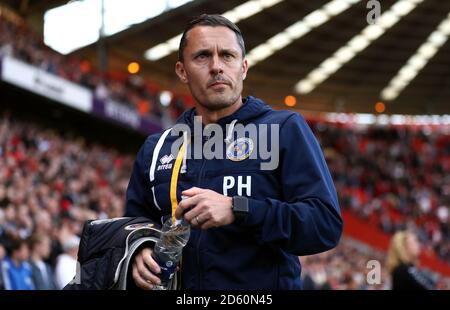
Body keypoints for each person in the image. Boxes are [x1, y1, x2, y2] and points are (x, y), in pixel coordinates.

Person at [125, 14, 343, 290]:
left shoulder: (284, 129)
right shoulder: (156, 148)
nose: (216, 66)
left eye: (227, 55)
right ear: (182, 71)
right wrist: (138, 251)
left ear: (243, 67)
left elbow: (324, 225)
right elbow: (132, 225)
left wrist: (238, 208)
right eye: (202, 56)